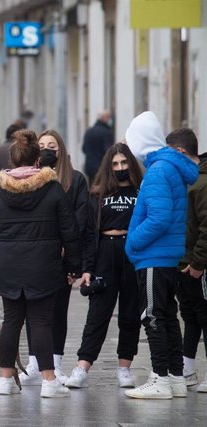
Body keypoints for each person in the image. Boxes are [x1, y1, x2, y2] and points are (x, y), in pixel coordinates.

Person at [0, 129, 80, 398]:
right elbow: (71, 232)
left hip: (8, 269)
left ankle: (6, 380)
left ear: (13, 159)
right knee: (41, 323)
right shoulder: (52, 189)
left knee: (11, 322)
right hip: (44, 268)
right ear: (36, 160)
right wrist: (73, 268)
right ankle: (49, 381)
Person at [123, 111, 199, 399]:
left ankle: (160, 379)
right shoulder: (169, 167)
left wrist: (132, 243)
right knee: (167, 317)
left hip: (154, 256)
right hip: (166, 256)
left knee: (153, 316)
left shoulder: (157, 171)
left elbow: (158, 218)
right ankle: (176, 377)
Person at [64, 143, 143, 389]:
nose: (120, 168)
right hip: (105, 252)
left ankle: (124, 368)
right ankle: (82, 366)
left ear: (130, 164)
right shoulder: (97, 195)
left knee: (130, 314)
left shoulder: (141, 191)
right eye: (115, 164)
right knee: (97, 314)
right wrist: (87, 268)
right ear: (109, 167)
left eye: (123, 163)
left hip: (132, 252)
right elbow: (89, 234)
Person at [20, 129, 88, 385]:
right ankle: (34, 362)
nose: (47, 149)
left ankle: (56, 362)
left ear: (61, 149)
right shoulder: (30, 178)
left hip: (61, 257)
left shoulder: (76, 180)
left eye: (52, 145)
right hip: (36, 256)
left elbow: (80, 219)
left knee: (58, 309)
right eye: (42, 145)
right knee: (33, 309)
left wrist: (68, 249)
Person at [166, 128, 207, 392]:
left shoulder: (201, 182)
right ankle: (187, 369)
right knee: (190, 316)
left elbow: (206, 225)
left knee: (204, 316)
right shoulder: (185, 180)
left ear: (180, 152)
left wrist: (198, 263)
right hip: (183, 262)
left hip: (197, 265)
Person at [82, 110, 113, 181]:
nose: (110, 120)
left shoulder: (89, 131)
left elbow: (83, 148)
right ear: (104, 118)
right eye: (109, 117)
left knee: (92, 188)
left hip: (89, 167)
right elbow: (108, 152)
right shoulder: (107, 132)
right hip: (101, 167)